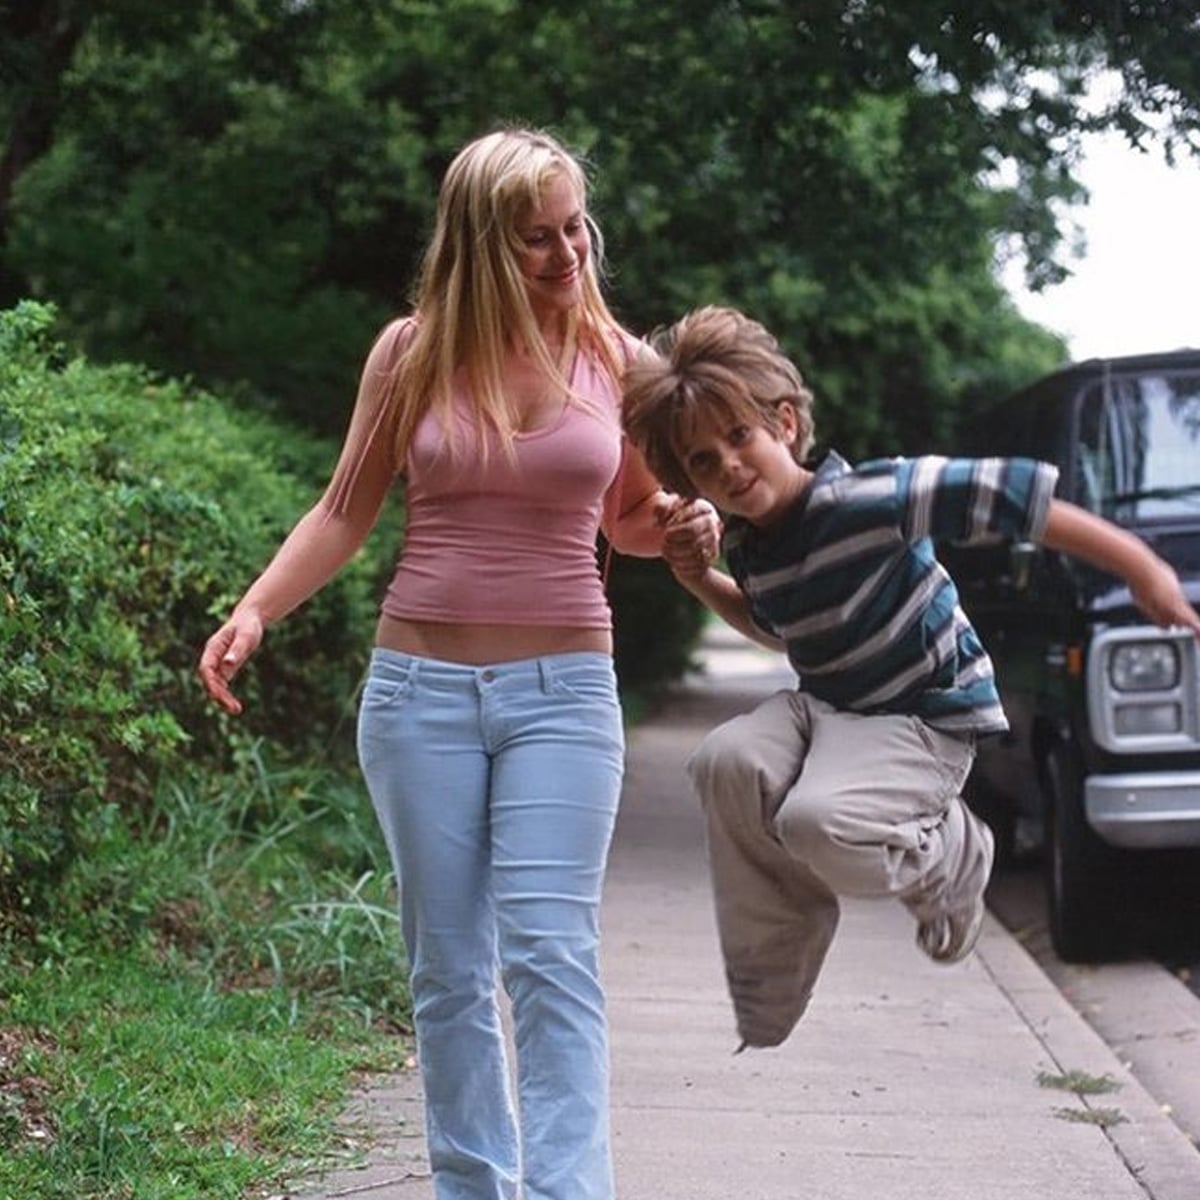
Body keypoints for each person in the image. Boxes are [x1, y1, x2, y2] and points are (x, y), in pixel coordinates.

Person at [198, 128, 718, 1200]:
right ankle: (473, 1187)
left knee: (549, 956)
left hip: (563, 695)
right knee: (448, 971)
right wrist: (256, 607)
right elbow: (346, 511)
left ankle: (570, 1190)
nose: (568, 251)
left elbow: (626, 520)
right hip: (418, 694)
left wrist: (681, 525)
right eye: (537, 237)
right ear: (481, 244)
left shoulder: (617, 360)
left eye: (576, 225)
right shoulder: (411, 353)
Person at [623, 305, 1200, 1051]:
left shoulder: (875, 497)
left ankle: (953, 860)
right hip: (833, 708)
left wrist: (1144, 568)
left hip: (926, 717)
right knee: (725, 763)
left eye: (740, 437)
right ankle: (772, 981)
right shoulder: (756, 547)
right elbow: (775, 629)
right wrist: (699, 578)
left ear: (786, 424)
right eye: (704, 461)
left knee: (815, 823)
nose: (729, 465)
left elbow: (1021, 502)